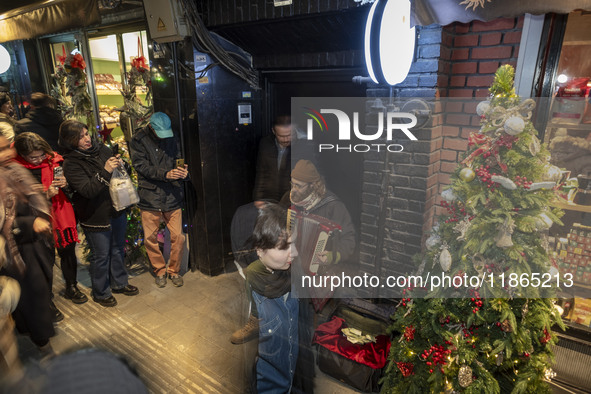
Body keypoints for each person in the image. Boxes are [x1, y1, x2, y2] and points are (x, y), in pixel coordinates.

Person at [58, 120, 138, 307]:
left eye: (86, 133)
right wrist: (106, 170)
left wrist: (120, 164)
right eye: (80, 137)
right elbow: (87, 190)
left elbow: (117, 171)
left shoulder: (101, 149)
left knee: (118, 249)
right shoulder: (71, 163)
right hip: (95, 215)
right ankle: (101, 292)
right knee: (101, 255)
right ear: (70, 141)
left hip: (116, 207)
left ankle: (119, 282)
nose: (87, 139)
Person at [13, 132, 87, 305]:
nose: (39, 160)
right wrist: (45, 195)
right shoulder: (16, 170)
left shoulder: (53, 160)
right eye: (33, 157)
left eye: (41, 155)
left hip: (61, 213)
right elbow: (17, 204)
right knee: (45, 259)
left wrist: (65, 184)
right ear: (22, 155)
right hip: (35, 220)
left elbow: (72, 189)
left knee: (68, 251)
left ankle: (72, 286)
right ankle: (47, 299)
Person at [0, 133, 56, 354]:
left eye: (7, 147)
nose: (8, 154)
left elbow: (31, 198)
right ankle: (42, 343)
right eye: (1, 150)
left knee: (36, 292)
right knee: (32, 296)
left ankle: (31, 331)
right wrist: (29, 224)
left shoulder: (14, 170)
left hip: (34, 244)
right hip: (13, 251)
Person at [243, 204, 299, 393]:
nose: (295, 253)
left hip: (291, 379)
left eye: (295, 245)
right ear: (260, 250)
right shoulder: (247, 289)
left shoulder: (292, 275)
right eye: (284, 248)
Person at [129, 112, 188, 288]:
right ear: (151, 127)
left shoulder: (172, 135)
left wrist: (181, 170)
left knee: (179, 237)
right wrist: (165, 174)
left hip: (172, 193)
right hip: (150, 196)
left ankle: (174, 271)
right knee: (150, 238)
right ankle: (160, 270)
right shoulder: (138, 139)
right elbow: (141, 167)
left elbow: (177, 156)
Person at [253, 115, 292, 208]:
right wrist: (258, 197)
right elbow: (261, 172)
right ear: (273, 131)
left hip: (292, 200)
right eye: (282, 136)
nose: (286, 139)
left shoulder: (302, 146)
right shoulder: (265, 144)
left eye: (289, 135)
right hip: (269, 199)